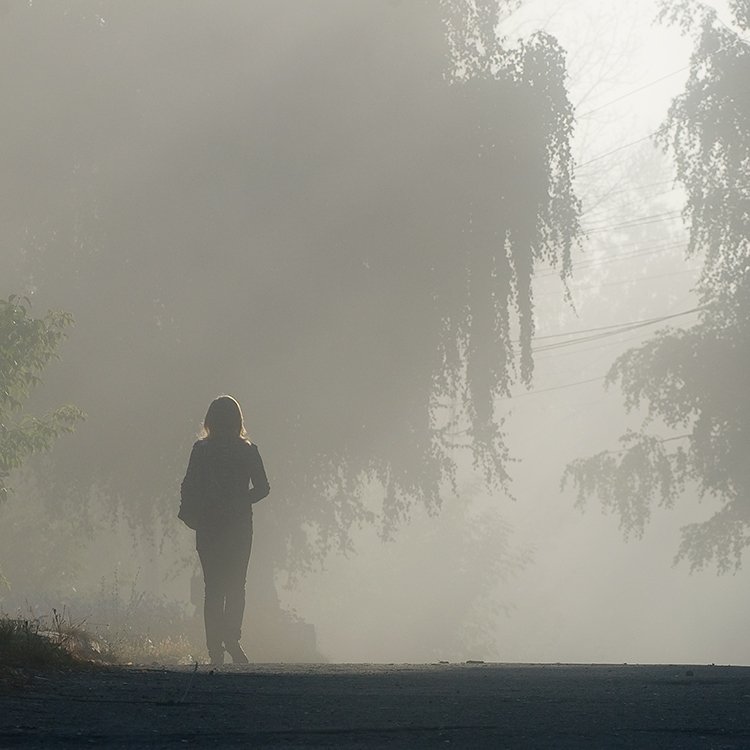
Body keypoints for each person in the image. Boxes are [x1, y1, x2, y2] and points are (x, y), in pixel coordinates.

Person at [179, 395, 270, 665]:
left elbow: (188, 484)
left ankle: (214, 649)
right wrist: (242, 500)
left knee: (213, 588)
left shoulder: (201, 450)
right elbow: (264, 488)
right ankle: (232, 639)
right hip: (240, 526)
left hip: (208, 526)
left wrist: (188, 513)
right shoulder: (248, 450)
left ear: (210, 420)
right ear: (238, 420)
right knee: (236, 585)